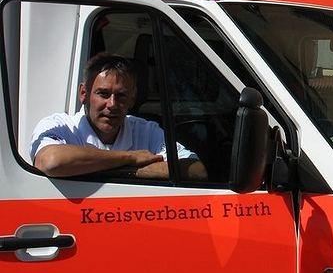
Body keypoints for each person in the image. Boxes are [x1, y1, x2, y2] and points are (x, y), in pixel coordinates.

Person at [30, 53, 207, 180]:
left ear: (132, 98)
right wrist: (130, 158)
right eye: (103, 94)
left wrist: (127, 171)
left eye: (121, 96)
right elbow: (51, 161)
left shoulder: (146, 130)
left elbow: (196, 170)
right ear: (83, 93)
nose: (112, 104)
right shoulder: (60, 125)